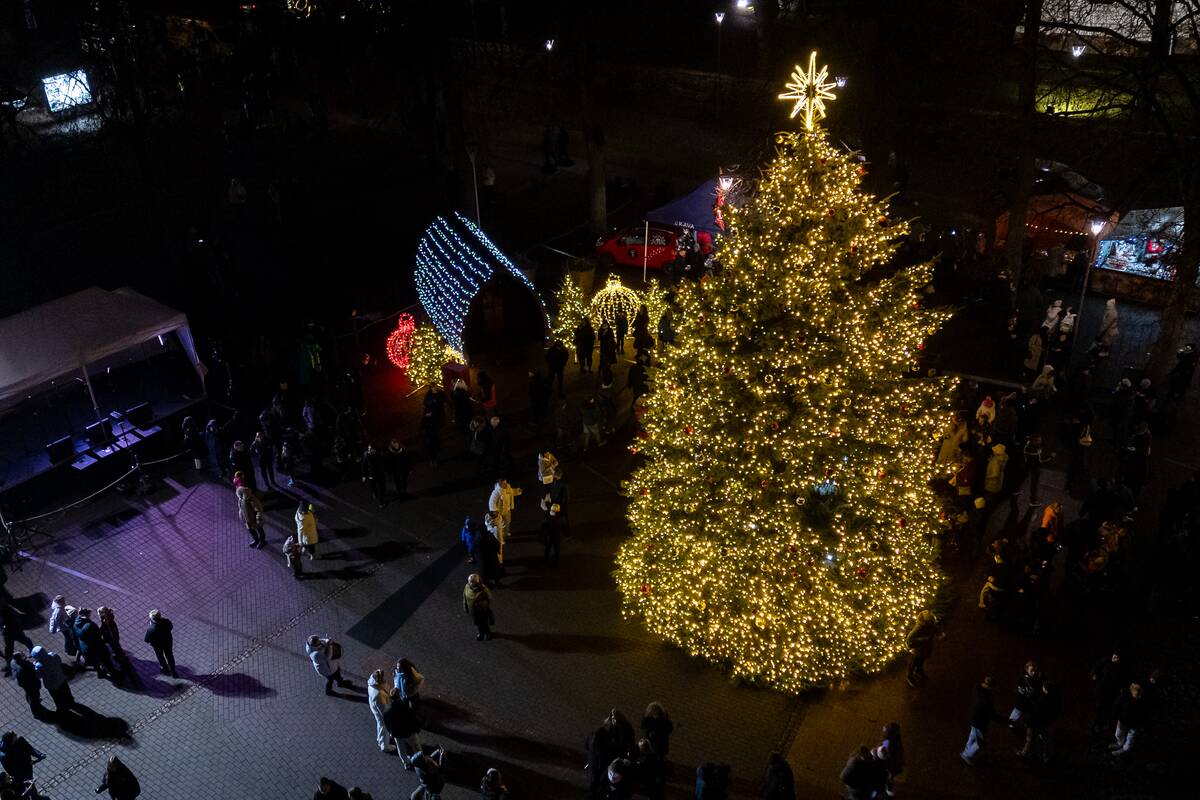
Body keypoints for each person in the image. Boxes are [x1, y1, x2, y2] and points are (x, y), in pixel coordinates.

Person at [960, 676, 1001, 765]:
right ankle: (967, 755)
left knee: (972, 737)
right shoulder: (986, 700)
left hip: (973, 718)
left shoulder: (977, 689)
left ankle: (967, 750)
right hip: (980, 723)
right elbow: (993, 715)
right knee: (980, 743)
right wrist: (1006, 720)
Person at [1020, 680, 1061, 763]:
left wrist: (1028, 722)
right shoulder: (1054, 699)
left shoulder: (1042, 700)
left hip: (1036, 723)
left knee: (1030, 739)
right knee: (1045, 741)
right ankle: (1046, 757)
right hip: (1046, 723)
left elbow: (1035, 713)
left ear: (1045, 689)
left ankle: (1025, 753)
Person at [383, 689, 423, 769]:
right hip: (409, 732)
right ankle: (420, 761)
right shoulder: (405, 705)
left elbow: (386, 723)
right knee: (416, 747)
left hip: (397, 734)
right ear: (399, 696)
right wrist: (417, 728)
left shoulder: (387, 709)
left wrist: (391, 732)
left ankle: (406, 763)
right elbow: (412, 717)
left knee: (401, 749)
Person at [73, 608, 116, 680]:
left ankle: (100, 673)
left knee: (95, 663)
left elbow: (75, 637)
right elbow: (98, 635)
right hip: (96, 647)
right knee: (106, 660)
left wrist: (79, 648)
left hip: (84, 647)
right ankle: (114, 675)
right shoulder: (90, 625)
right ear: (88, 614)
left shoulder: (75, 624)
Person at [904, 610, 941, 687]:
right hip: (918, 649)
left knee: (921, 660)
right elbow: (909, 639)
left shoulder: (932, 625)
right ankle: (910, 675)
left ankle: (919, 670)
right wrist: (922, 639)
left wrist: (941, 635)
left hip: (926, 647)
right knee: (914, 662)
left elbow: (936, 630)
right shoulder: (918, 628)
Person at [29, 647, 71, 714]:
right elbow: (59, 661)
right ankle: (70, 702)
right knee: (66, 692)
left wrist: (35, 665)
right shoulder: (54, 656)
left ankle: (62, 710)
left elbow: (38, 676)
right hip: (61, 679)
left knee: (57, 698)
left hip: (52, 685)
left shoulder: (39, 667)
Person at [487, 479, 522, 562]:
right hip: (499, 512)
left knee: (507, 522)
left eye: (506, 483)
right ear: (500, 484)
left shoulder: (508, 488)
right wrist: (495, 512)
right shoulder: (496, 492)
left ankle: (506, 532)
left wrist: (517, 491)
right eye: (504, 483)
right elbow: (491, 503)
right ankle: (502, 538)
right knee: (502, 525)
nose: (506, 484)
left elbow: (512, 492)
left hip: (507, 510)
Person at [1111, 682, 1145, 756]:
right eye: (1137, 695)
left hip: (1135, 724)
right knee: (1118, 734)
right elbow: (1116, 706)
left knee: (1130, 740)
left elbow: (1144, 714)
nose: (1139, 697)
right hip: (1123, 720)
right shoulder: (1124, 696)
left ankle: (1124, 750)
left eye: (1140, 695)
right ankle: (1119, 743)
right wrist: (1117, 716)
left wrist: (1141, 724)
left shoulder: (1142, 700)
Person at [367, 669, 395, 753]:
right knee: (384, 728)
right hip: (382, 714)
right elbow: (383, 709)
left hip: (376, 710)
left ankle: (380, 739)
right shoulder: (378, 694)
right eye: (382, 677)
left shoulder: (372, 684)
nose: (383, 678)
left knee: (380, 725)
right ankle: (385, 746)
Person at [872, 723, 903, 797]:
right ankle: (888, 789)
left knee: (887, 777)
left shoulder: (886, 741)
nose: (883, 729)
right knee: (889, 777)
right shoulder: (891, 740)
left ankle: (883, 790)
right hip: (890, 764)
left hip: (888, 764)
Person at [0, 604, 32, 676]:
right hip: (7, 634)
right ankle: (9, 666)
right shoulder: (4, 610)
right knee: (8, 651)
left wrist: (18, 628)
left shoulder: (7, 610)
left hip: (15, 631)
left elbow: (17, 618)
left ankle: (32, 651)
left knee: (25, 640)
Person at [1008, 661, 1042, 727]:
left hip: (1030, 704)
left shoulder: (1036, 678)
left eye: (1035, 670)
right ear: (1026, 670)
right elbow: (1016, 689)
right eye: (1031, 670)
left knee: (1030, 719)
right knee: (1012, 720)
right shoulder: (1022, 679)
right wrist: (1021, 691)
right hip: (1021, 704)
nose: (1034, 672)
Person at [144, 610, 176, 677]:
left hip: (157, 645)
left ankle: (165, 668)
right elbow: (171, 627)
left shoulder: (151, 628)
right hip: (168, 641)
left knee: (160, 656)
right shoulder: (166, 621)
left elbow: (146, 639)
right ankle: (173, 669)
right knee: (169, 655)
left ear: (152, 618)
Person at [463, 574, 494, 641]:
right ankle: (481, 633)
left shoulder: (483, 589)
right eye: (471, 582)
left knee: (484, 623)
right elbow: (464, 597)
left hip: (482, 610)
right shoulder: (467, 587)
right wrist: (465, 607)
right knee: (478, 623)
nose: (473, 584)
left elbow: (489, 597)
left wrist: (485, 604)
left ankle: (488, 633)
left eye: (475, 583)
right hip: (473, 610)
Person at [47, 595, 77, 660]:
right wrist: (53, 629)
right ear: (60, 602)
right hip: (63, 626)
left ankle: (68, 648)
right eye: (63, 600)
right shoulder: (58, 610)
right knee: (68, 637)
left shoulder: (59, 606)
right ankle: (68, 649)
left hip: (64, 624)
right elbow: (54, 619)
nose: (64, 601)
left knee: (68, 637)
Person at [541, 502, 563, 566]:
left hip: (549, 536)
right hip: (556, 536)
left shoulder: (547, 518)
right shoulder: (559, 519)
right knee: (556, 549)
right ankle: (557, 562)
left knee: (548, 548)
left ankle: (546, 560)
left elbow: (543, 526)